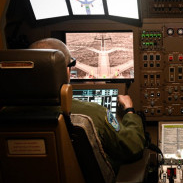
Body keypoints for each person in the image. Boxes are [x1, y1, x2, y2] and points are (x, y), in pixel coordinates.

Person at [28, 38, 145, 173]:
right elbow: (133, 146)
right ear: (66, 70)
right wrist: (130, 111)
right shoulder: (93, 114)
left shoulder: (6, 112)